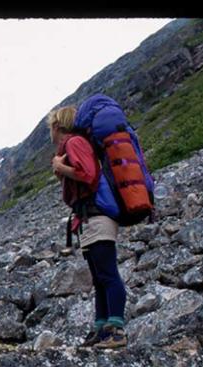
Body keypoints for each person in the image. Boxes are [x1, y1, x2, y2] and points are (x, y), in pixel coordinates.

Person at [47, 105, 127, 349]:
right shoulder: (74, 144)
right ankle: (101, 329)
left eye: (50, 127)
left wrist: (61, 169)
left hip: (98, 217)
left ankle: (117, 331)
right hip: (90, 219)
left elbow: (89, 175)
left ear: (57, 127)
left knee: (107, 274)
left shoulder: (74, 143)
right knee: (99, 277)